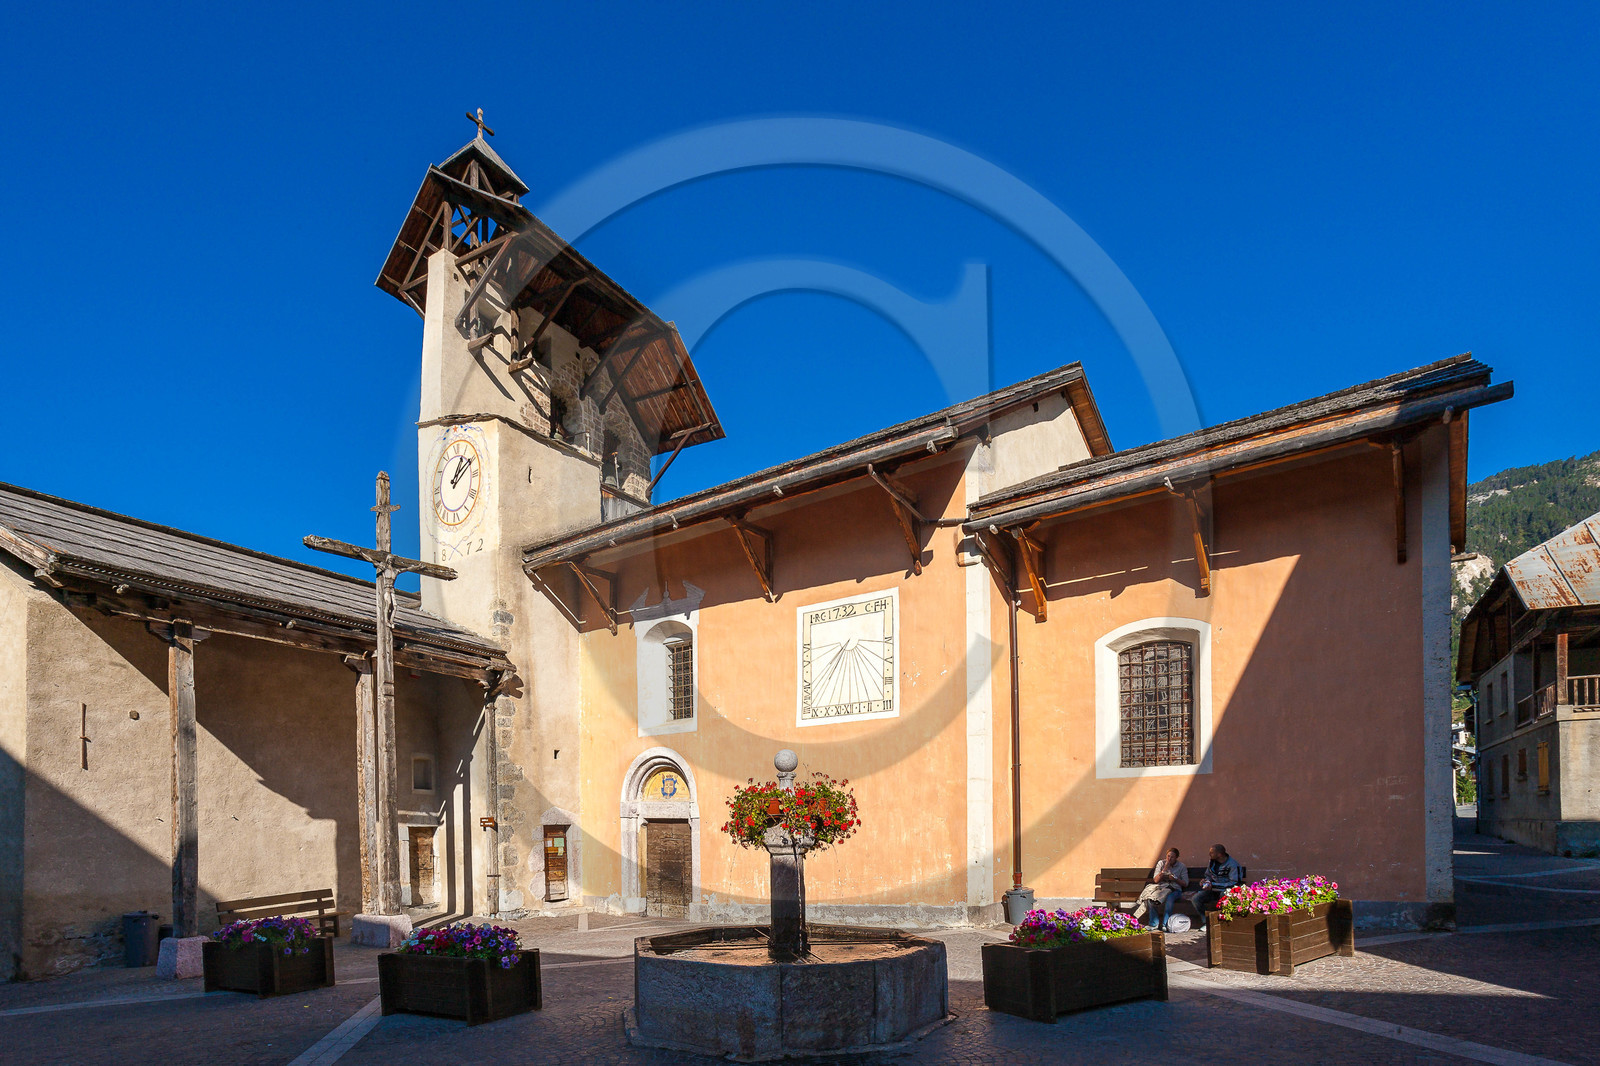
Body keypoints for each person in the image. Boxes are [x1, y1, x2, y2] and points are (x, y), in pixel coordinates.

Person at [1131, 848, 1187, 931]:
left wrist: (1175, 879)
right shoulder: (1161, 863)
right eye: (1168, 856)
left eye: (1172, 857)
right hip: (1162, 888)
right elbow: (1156, 880)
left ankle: (1165, 924)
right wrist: (1164, 870)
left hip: (1175, 889)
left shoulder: (1181, 866)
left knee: (1169, 899)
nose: (1169, 859)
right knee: (1151, 898)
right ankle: (1153, 923)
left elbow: (1185, 883)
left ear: (1176, 858)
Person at [1191, 844, 1244, 929]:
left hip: (1226, 891)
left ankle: (1223, 922)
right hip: (1213, 890)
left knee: (1223, 896)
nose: (1209, 854)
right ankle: (1206, 922)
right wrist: (1205, 881)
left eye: (1212, 852)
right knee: (1196, 899)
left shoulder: (1233, 865)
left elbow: (1234, 883)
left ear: (1219, 854)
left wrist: (1214, 885)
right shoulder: (1212, 863)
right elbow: (1208, 875)